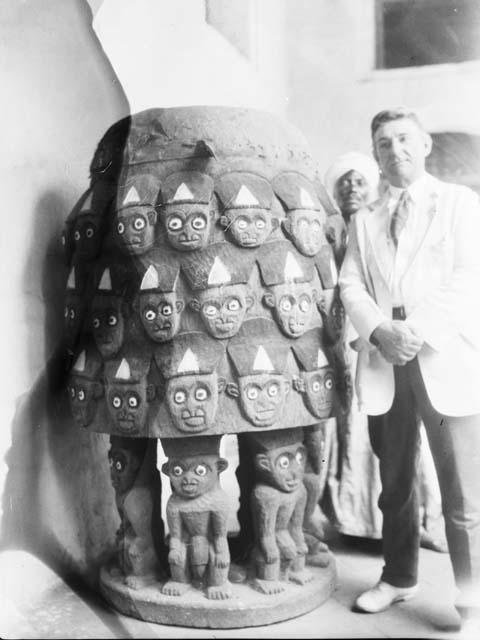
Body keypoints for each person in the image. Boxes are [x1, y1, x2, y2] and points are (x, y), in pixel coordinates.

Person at [339, 107, 480, 630]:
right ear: (375, 155)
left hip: (441, 353)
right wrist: (379, 330)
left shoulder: (461, 204)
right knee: (394, 481)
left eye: (402, 139)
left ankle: (472, 602)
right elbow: (350, 283)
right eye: (382, 144)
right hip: (385, 357)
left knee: (462, 492)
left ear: (423, 145)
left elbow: (471, 275)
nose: (393, 150)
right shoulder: (364, 217)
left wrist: (412, 331)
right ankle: (398, 577)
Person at [324, 152, 448, 553]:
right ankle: (357, 521)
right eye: (344, 183)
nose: (352, 189)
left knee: (409, 437)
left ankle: (424, 521)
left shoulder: (383, 225)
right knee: (354, 430)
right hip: (343, 334)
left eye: (359, 181)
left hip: (388, 336)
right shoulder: (331, 233)